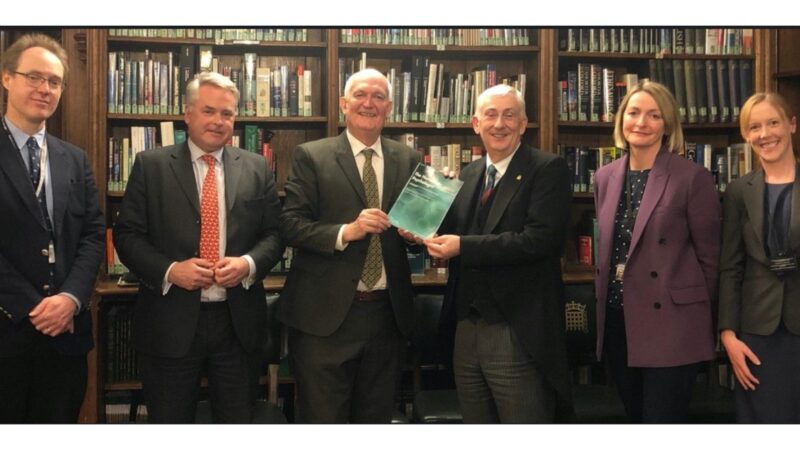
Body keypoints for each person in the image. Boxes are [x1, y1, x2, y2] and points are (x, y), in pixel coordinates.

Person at [113, 71, 284, 423]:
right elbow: (127, 236)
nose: (219, 121)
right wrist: (171, 271)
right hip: (170, 321)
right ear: (187, 114)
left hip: (237, 324)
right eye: (209, 111)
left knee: (235, 423)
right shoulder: (151, 165)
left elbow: (275, 235)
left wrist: (248, 265)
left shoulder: (256, 167)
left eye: (227, 113)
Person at [278, 68, 421, 423]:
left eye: (377, 97)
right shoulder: (311, 155)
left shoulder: (409, 159)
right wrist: (346, 231)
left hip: (387, 317)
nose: (368, 103)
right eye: (360, 95)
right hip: (325, 322)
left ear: (389, 106)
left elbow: (419, 238)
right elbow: (290, 226)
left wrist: (418, 236)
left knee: (375, 422)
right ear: (344, 104)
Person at [424, 84, 572, 423]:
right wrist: (417, 229)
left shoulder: (547, 169)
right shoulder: (469, 173)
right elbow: (450, 231)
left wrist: (462, 246)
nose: (499, 124)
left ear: (524, 124)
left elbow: (538, 241)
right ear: (476, 123)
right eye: (491, 115)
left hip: (517, 328)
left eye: (510, 115)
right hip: (466, 328)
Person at [593, 80, 721, 423]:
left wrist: (699, 320)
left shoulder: (692, 178)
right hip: (620, 319)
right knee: (636, 421)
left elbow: (711, 259)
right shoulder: (604, 177)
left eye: (653, 115)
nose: (641, 122)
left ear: (667, 124)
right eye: (633, 113)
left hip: (673, 323)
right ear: (621, 120)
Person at [0, 33, 105, 423]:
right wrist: (31, 305)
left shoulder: (74, 159)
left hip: (66, 337)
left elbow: (94, 234)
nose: (45, 89)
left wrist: (71, 299)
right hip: (7, 331)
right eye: (34, 77)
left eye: (54, 81)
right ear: (7, 78)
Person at [719, 92, 800, 423]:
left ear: (792, 125)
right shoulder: (738, 191)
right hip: (756, 335)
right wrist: (727, 334)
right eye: (754, 127)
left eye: (773, 122)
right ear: (746, 135)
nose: (765, 134)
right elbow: (730, 266)